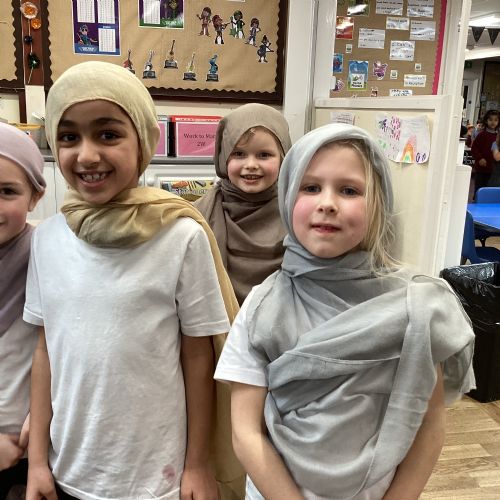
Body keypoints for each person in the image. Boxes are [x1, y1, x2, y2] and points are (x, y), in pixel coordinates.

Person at [215, 123, 475, 499]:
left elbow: (431, 422)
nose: (327, 203)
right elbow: (246, 432)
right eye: (310, 187)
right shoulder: (262, 307)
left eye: (349, 190)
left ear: (378, 203)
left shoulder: (416, 308)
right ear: (287, 196)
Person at [24, 61, 243, 500]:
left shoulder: (180, 236)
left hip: (155, 476)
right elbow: (46, 350)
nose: (86, 155)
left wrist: (197, 465)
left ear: (142, 141)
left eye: (108, 135)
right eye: (68, 137)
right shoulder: (47, 238)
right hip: (70, 468)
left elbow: (197, 357)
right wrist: (36, 463)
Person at [194, 103, 291, 305]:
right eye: (238, 154)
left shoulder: (295, 214)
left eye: (264, 155)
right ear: (223, 157)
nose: (251, 165)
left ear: (283, 158)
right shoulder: (198, 215)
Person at [0, 123, 46, 499]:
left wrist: (40, 420)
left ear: (35, 196)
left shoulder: (48, 255)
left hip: (33, 448)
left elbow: (65, 350)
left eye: (7, 192)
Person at [471, 109, 499, 194]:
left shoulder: (498, 136)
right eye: (490, 119)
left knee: (491, 190)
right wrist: (479, 158)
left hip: (494, 170)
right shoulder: (482, 135)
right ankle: (477, 200)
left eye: (496, 120)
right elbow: (474, 148)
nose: (493, 122)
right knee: (479, 189)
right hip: (481, 169)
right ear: (486, 121)